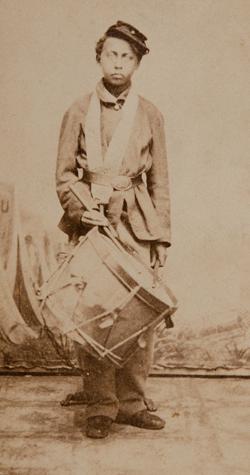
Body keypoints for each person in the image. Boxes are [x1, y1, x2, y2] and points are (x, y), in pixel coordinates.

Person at [56, 21, 171, 438]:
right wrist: (80, 210)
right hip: (94, 220)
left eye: (127, 56)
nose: (118, 63)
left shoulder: (150, 113)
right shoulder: (77, 109)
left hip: (137, 222)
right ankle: (101, 405)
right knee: (97, 314)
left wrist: (160, 236)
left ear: (137, 63)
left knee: (139, 316)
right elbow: (66, 175)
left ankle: (132, 404)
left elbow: (159, 180)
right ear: (99, 57)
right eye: (111, 54)